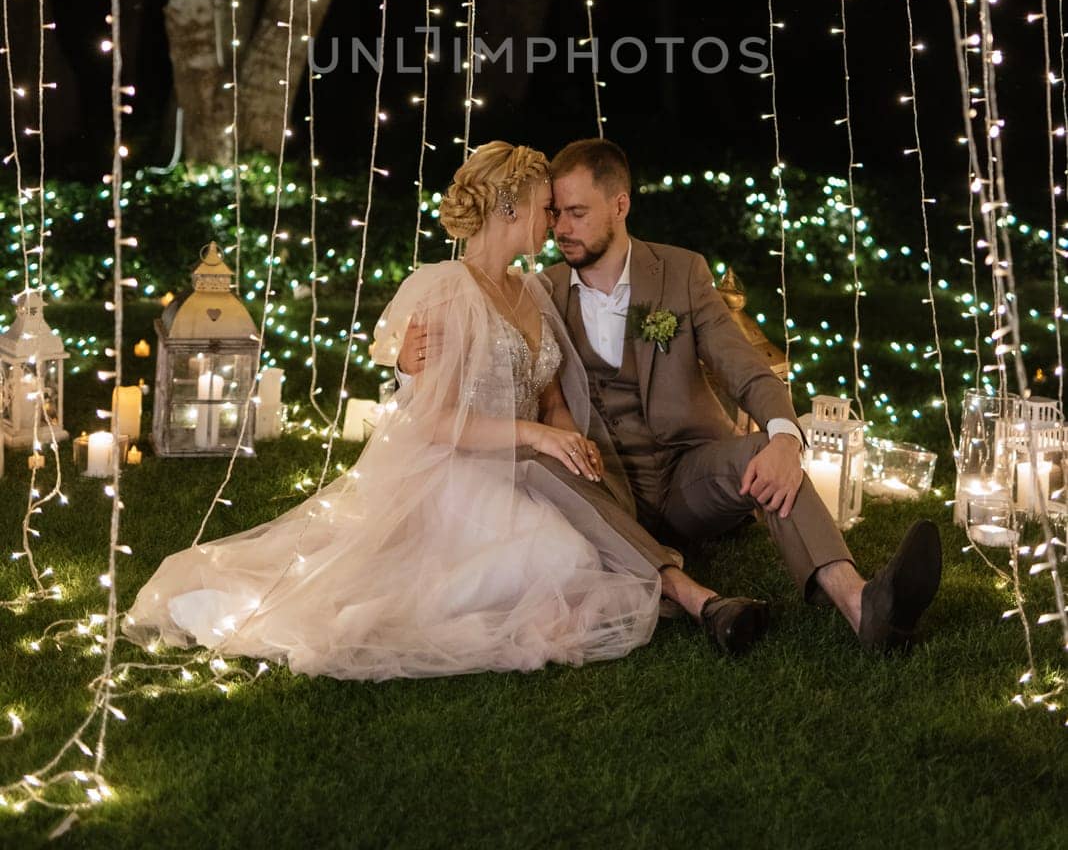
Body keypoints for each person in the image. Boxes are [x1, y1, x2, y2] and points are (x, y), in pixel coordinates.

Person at [123, 142, 762, 680]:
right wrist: (535, 436)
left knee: (575, 547)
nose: (555, 223)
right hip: (457, 473)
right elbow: (433, 422)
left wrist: (568, 441)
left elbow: (551, 395)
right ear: (510, 208)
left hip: (531, 463)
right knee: (560, 561)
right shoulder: (444, 290)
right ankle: (371, 614)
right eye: (545, 209)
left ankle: (677, 586)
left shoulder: (533, 292)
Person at [399, 139, 943, 652]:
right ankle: (691, 593)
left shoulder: (682, 273)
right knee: (544, 464)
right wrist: (405, 358)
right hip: (601, 484)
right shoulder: (543, 290)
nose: (561, 228)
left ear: (620, 204)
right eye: (555, 212)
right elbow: (482, 357)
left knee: (768, 455)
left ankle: (861, 601)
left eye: (577, 213)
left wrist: (783, 437)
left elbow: (747, 369)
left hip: (688, 477)